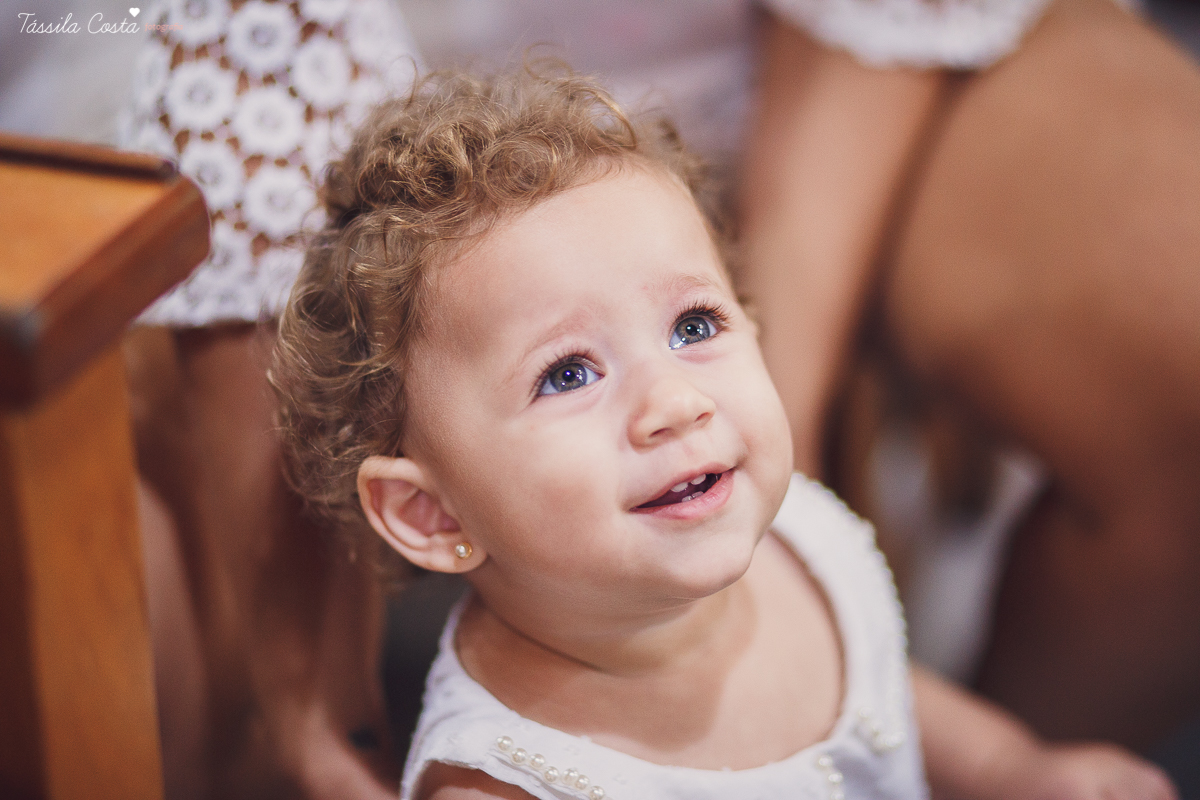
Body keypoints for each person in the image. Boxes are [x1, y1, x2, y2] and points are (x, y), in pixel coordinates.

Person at [270, 67, 1176, 800]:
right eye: (569, 374)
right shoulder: (511, 780)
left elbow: (880, 694)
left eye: (694, 325)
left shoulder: (798, 539)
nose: (674, 401)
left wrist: (1017, 769)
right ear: (430, 514)